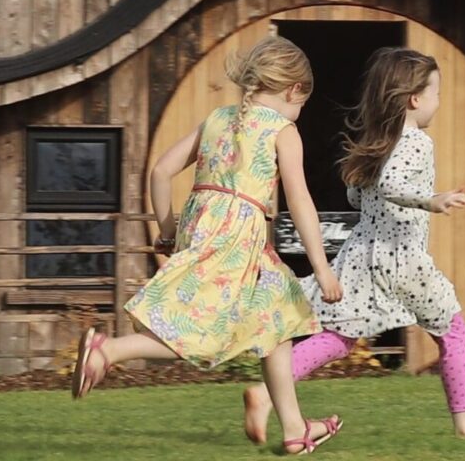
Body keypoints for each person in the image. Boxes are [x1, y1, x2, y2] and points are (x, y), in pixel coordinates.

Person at [70, 32, 348, 455]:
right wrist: (322, 268)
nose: (299, 113)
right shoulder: (283, 130)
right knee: (204, 331)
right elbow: (300, 202)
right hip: (238, 238)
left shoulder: (217, 119)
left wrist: (168, 232)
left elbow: (161, 172)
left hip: (206, 227)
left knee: (276, 315)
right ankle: (108, 351)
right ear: (294, 90)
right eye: (302, 104)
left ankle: (295, 429)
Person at [240, 48, 465, 442]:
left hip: (362, 254)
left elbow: (357, 196)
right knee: (452, 328)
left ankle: (266, 394)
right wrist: (430, 200)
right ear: (414, 99)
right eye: (436, 94)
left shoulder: (381, 141)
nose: (438, 102)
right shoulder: (416, 142)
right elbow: (389, 185)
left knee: (342, 336)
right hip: (402, 259)